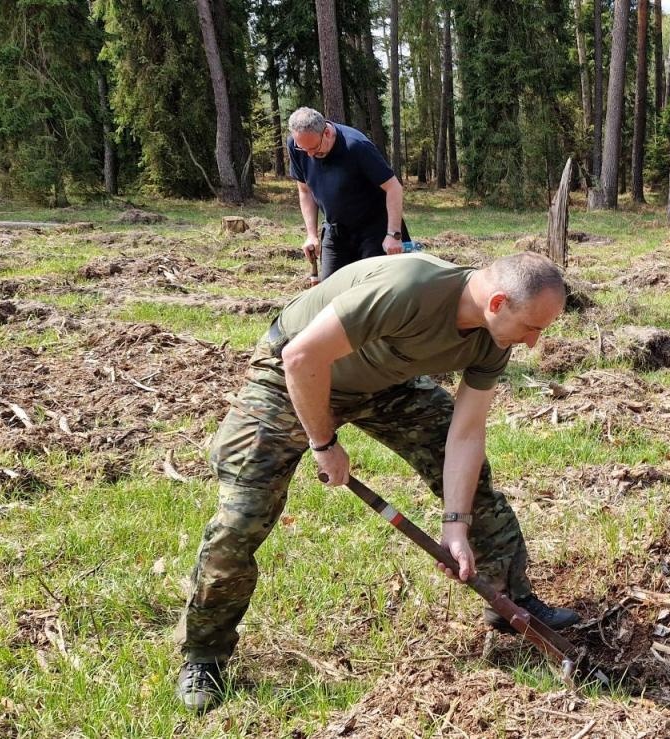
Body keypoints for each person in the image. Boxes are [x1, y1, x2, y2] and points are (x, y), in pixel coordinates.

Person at [174, 252, 579, 713]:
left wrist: (455, 525)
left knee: (475, 488)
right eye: (532, 328)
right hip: (292, 379)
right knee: (242, 518)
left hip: (385, 385)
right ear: (498, 302)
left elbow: (465, 435)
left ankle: (510, 602)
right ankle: (204, 654)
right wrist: (324, 443)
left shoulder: (494, 337)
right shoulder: (410, 288)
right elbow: (300, 355)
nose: (533, 343)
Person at [286, 107, 412, 281]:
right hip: (336, 230)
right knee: (330, 290)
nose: (309, 155)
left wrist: (393, 235)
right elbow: (305, 190)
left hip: (374, 230)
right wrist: (312, 235)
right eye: (303, 149)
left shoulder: (356, 146)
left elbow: (394, 188)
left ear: (327, 133)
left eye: (314, 148)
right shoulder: (296, 145)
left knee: (373, 290)